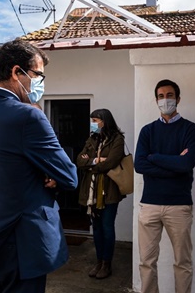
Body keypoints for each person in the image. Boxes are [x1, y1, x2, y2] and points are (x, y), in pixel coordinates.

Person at [0, 39, 78, 293]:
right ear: (16, 72)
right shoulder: (28, 115)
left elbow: (4, 162)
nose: (40, 83)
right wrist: (49, 172)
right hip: (22, 241)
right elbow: (69, 176)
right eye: (37, 74)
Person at [134, 79, 195, 293]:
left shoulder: (190, 129)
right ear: (156, 100)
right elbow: (139, 164)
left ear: (178, 99)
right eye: (161, 96)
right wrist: (173, 164)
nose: (165, 100)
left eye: (170, 95)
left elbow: (187, 164)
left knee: (183, 262)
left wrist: (154, 157)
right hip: (150, 204)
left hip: (179, 205)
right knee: (146, 261)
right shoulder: (147, 131)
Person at [76, 108, 126, 280]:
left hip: (109, 191)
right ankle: (98, 261)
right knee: (96, 228)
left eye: (95, 120)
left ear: (105, 121)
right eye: (92, 120)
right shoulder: (92, 139)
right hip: (91, 191)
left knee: (107, 226)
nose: (93, 123)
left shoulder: (117, 139)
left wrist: (90, 164)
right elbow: (78, 161)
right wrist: (96, 161)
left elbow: (111, 162)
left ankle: (107, 264)